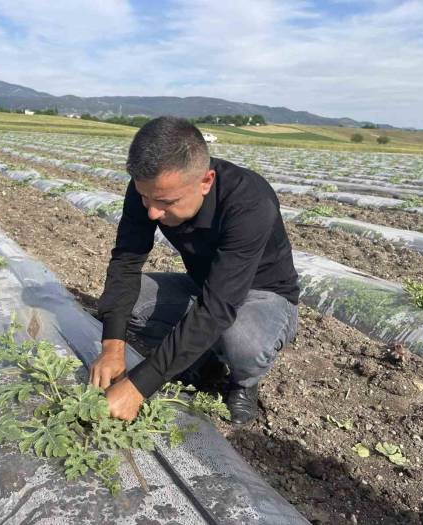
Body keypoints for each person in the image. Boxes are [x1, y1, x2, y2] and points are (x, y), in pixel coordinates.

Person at [89, 116, 299, 425]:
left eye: (165, 202)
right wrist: (112, 347)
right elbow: (126, 262)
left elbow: (217, 307)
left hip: (265, 296)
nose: (152, 212)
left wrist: (138, 386)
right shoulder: (150, 190)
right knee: (121, 306)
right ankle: (202, 356)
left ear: (206, 181)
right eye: (145, 197)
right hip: (205, 286)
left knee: (242, 343)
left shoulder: (250, 202)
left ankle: (244, 383)